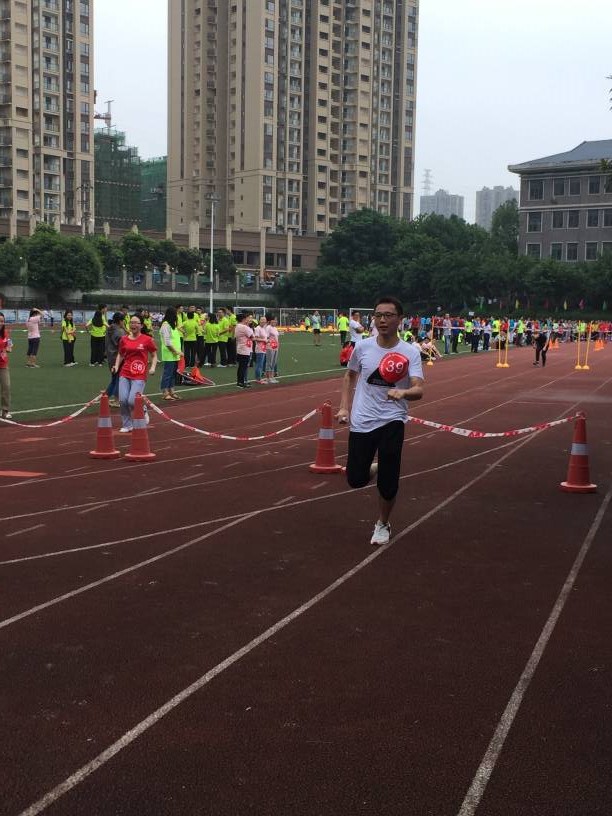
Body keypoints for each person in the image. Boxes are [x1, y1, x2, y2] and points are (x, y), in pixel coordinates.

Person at [336, 296, 424, 547]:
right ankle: (372, 468)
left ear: (400, 319)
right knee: (355, 479)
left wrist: (403, 393)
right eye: (378, 315)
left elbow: (419, 389)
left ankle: (383, 523)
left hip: (392, 420)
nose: (383, 320)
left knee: (389, 480)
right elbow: (349, 375)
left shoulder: (410, 352)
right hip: (362, 420)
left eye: (388, 315)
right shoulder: (363, 347)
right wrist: (343, 407)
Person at [112, 314, 158, 432]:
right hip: (125, 372)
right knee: (123, 400)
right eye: (131, 322)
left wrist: (153, 367)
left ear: (141, 325)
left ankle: (142, 409)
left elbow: (154, 355)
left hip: (139, 374)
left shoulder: (147, 340)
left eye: (136, 323)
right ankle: (127, 425)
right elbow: (120, 354)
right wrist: (116, 366)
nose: (133, 325)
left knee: (132, 401)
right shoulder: (124, 339)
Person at [159, 306, 183, 400]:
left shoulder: (173, 326)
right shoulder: (166, 326)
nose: (177, 316)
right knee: (167, 374)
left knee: (173, 374)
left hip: (175, 355)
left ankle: (172, 391)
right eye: (175, 314)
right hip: (169, 354)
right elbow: (167, 343)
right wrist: (177, 352)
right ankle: (165, 392)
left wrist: (178, 352)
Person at [105, 312, 126, 407]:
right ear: (120, 321)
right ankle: (117, 400)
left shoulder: (110, 328)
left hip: (111, 356)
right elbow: (123, 344)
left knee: (114, 379)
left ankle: (105, 397)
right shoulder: (119, 332)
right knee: (119, 379)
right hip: (118, 357)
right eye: (123, 321)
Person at [234, 311, 254, 388]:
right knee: (243, 367)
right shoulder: (244, 327)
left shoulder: (237, 326)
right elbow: (252, 336)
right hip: (245, 349)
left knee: (241, 367)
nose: (247, 320)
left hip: (240, 348)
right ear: (243, 319)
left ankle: (239, 382)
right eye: (246, 318)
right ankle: (241, 382)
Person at [0, 312, 13, 419]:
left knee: (6, 386)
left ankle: (5, 410)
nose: (1, 323)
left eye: (2, 321)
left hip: (3, 365)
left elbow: (10, 346)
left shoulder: (5, 333)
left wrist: (8, 349)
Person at [264, 313, 280, 383]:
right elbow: (266, 337)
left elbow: (276, 337)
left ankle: (272, 377)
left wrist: (277, 344)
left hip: (275, 347)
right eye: (274, 320)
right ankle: (268, 377)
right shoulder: (268, 327)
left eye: (276, 320)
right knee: (269, 362)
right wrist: (270, 342)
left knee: (274, 362)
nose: (275, 321)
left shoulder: (275, 328)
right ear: (270, 321)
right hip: (270, 347)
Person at [254, 315, 268, 382]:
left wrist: (267, 340)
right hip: (259, 349)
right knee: (259, 364)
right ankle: (258, 378)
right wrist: (264, 340)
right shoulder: (257, 328)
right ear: (259, 321)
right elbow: (256, 338)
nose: (263, 321)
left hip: (263, 348)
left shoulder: (263, 328)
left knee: (261, 364)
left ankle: (259, 377)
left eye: (264, 320)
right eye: (262, 320)